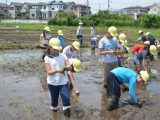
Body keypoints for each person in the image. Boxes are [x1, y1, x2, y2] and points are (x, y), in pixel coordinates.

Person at [44, 38, 71, 117]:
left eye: (58, 49)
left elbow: (68, 64)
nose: (57, 51)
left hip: (63, 82)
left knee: (66, 99)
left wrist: (69, 67)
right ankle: (54, 112)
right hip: (52, 83)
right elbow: (48, 72)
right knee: (54, 101)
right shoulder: (47, 58)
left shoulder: (63, 55)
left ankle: (67, 116)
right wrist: (58, 71)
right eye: (55, 49)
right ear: (50, 48)